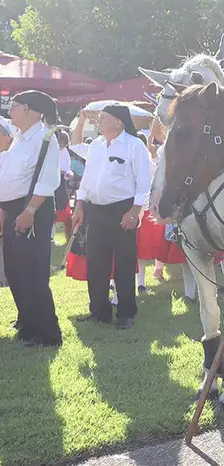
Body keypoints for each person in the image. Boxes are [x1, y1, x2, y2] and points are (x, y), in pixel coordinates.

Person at [71, 103, 152, 330]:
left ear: (118, 121)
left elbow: (144, 183)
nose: (99, 121)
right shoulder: (96, 145)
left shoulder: (134, 146)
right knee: (96, 262)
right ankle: (99, 310)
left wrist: (134, 212)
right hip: (96, 210)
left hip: (122, 210)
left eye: (103, 118)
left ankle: (126, 312)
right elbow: (87, 179)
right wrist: (79, 205)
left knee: (125, 262)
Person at [0, 91, 64, 347]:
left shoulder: (45, 137)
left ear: (27, 109)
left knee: (33, 272)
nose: (9, 111)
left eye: (13, 107)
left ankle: (48, 333)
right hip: (13, 208)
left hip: (33, 208)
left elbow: (47, 181)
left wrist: (28, 212)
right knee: (16, 271)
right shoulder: (19, 139)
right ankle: (27, 323)